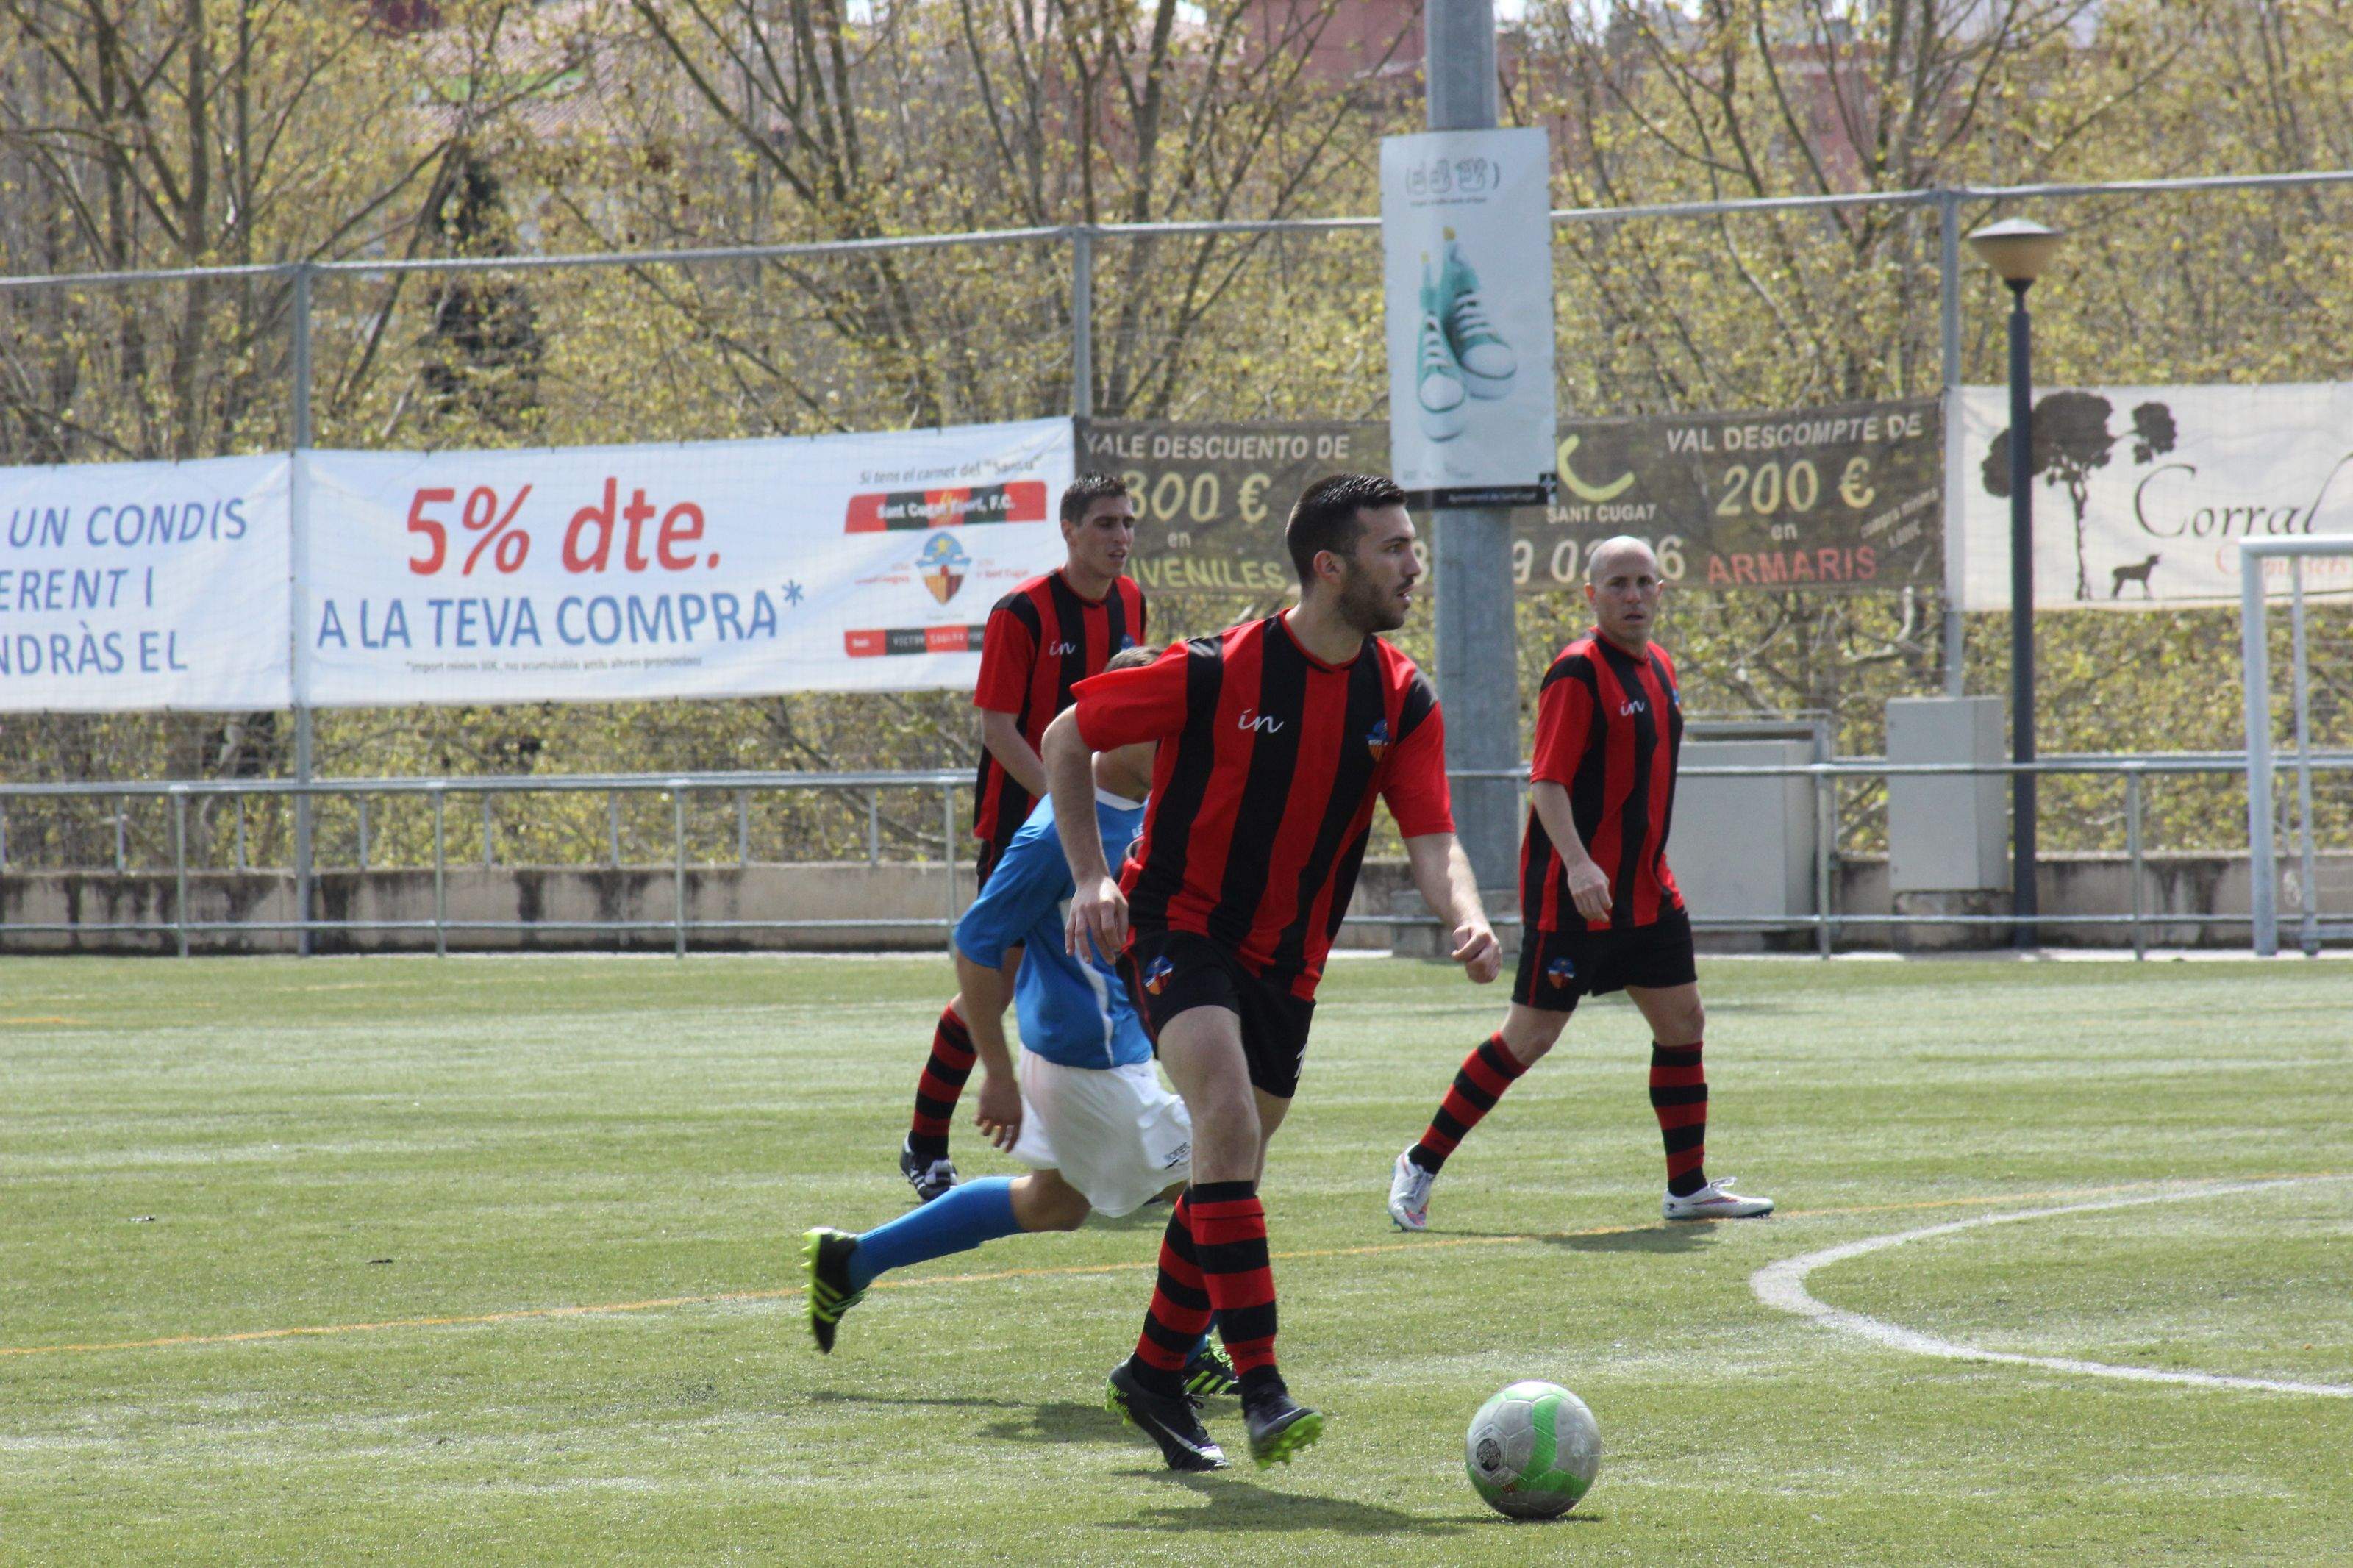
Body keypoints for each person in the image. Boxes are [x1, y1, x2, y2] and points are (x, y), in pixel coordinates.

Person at [1045, 473, 1501, 1473]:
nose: (1413, 566)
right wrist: (1088, 879)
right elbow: (1066, 734)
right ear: (1329, 567)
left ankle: (1154, 1372)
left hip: (1289, 963)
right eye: (1393, 550)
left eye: (1413, 548)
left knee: (1227, 1169)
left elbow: (1433, 840)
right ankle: (1261, 1386)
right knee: (1229, 1123)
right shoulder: (1215, 670)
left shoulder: (1402, 697)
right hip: (1176, 924)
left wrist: (1465, 918)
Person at [808, 650, 1233, 1397]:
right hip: (1081, 1067)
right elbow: (975, 946)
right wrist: (996, 1078)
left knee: (1051, 1204)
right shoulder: (1051, 840)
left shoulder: (1144, 806)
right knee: (1213, 1181)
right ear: (1119, 727)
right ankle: (1184, 1355)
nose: (1176, 746)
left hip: (1111, 1057)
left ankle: (851, 1261)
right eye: (1161, 731)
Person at [1385, 536, 1774, 1233]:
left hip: (1648, 895)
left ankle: (1687, 1186)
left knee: (1684, 1023)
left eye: (1644, 582)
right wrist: (1579, 861)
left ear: (1660, 591)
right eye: (1617, 583)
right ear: (1590, 595)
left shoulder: (1660, 667)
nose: (1632, 595)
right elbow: (1548, 782)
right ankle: (1420, 1160)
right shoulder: (1576, 672)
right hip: (1578, 901)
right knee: (1527, 1039)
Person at [899, 475, 1146, 1203]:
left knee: (1114, 973)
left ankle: (1106, 1143)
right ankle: (924, 1140)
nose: (1119, 537)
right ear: (1068, 530)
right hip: (1026, 830)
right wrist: (1067, 806)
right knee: (989, 983)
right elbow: (997, 728)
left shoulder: (1130, 602)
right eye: (1105, 523)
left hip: (1094, 827)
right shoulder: (1023, 613)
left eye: (1128, 523)